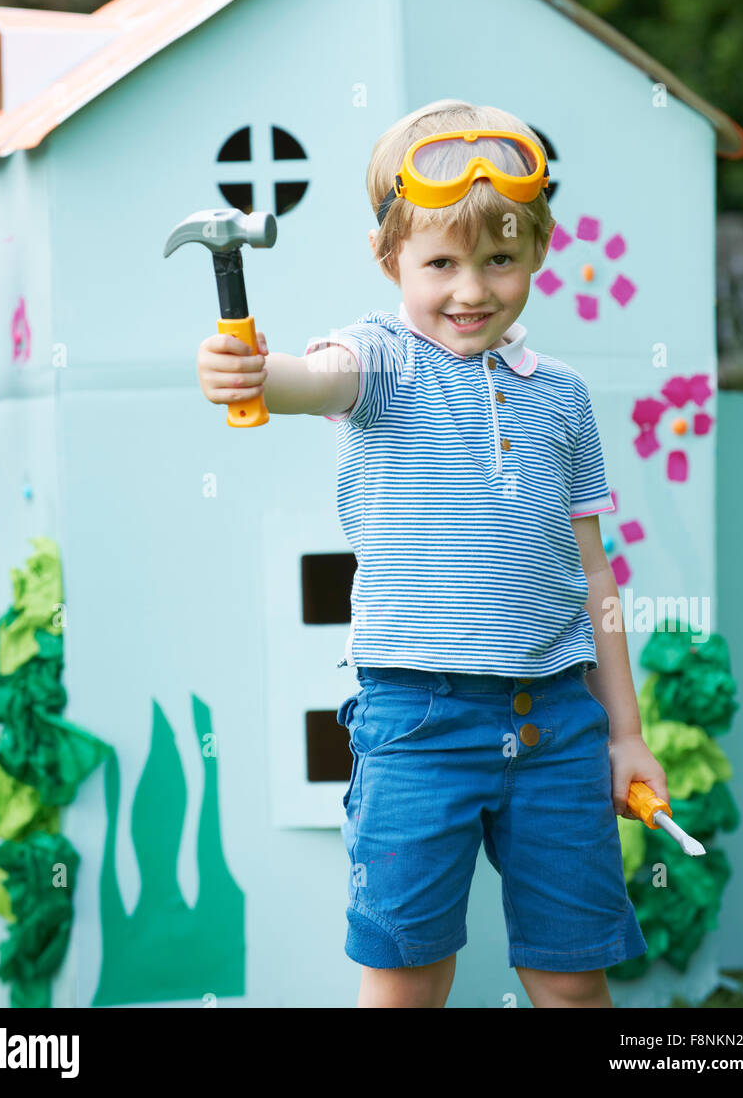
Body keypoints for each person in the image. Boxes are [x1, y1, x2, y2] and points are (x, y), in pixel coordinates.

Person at [196, 98, 669, 1009]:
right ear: (391, 261)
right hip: (417, 722)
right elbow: (308, 377)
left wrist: (627, 732)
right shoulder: (379, 362)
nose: (472, 289)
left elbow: (596, 578)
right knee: (408, 978)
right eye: (441, 263)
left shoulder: (564, 398)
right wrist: (254, 370)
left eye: (499, 260)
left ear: (536, 251)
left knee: (571, 981)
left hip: (557, 728)